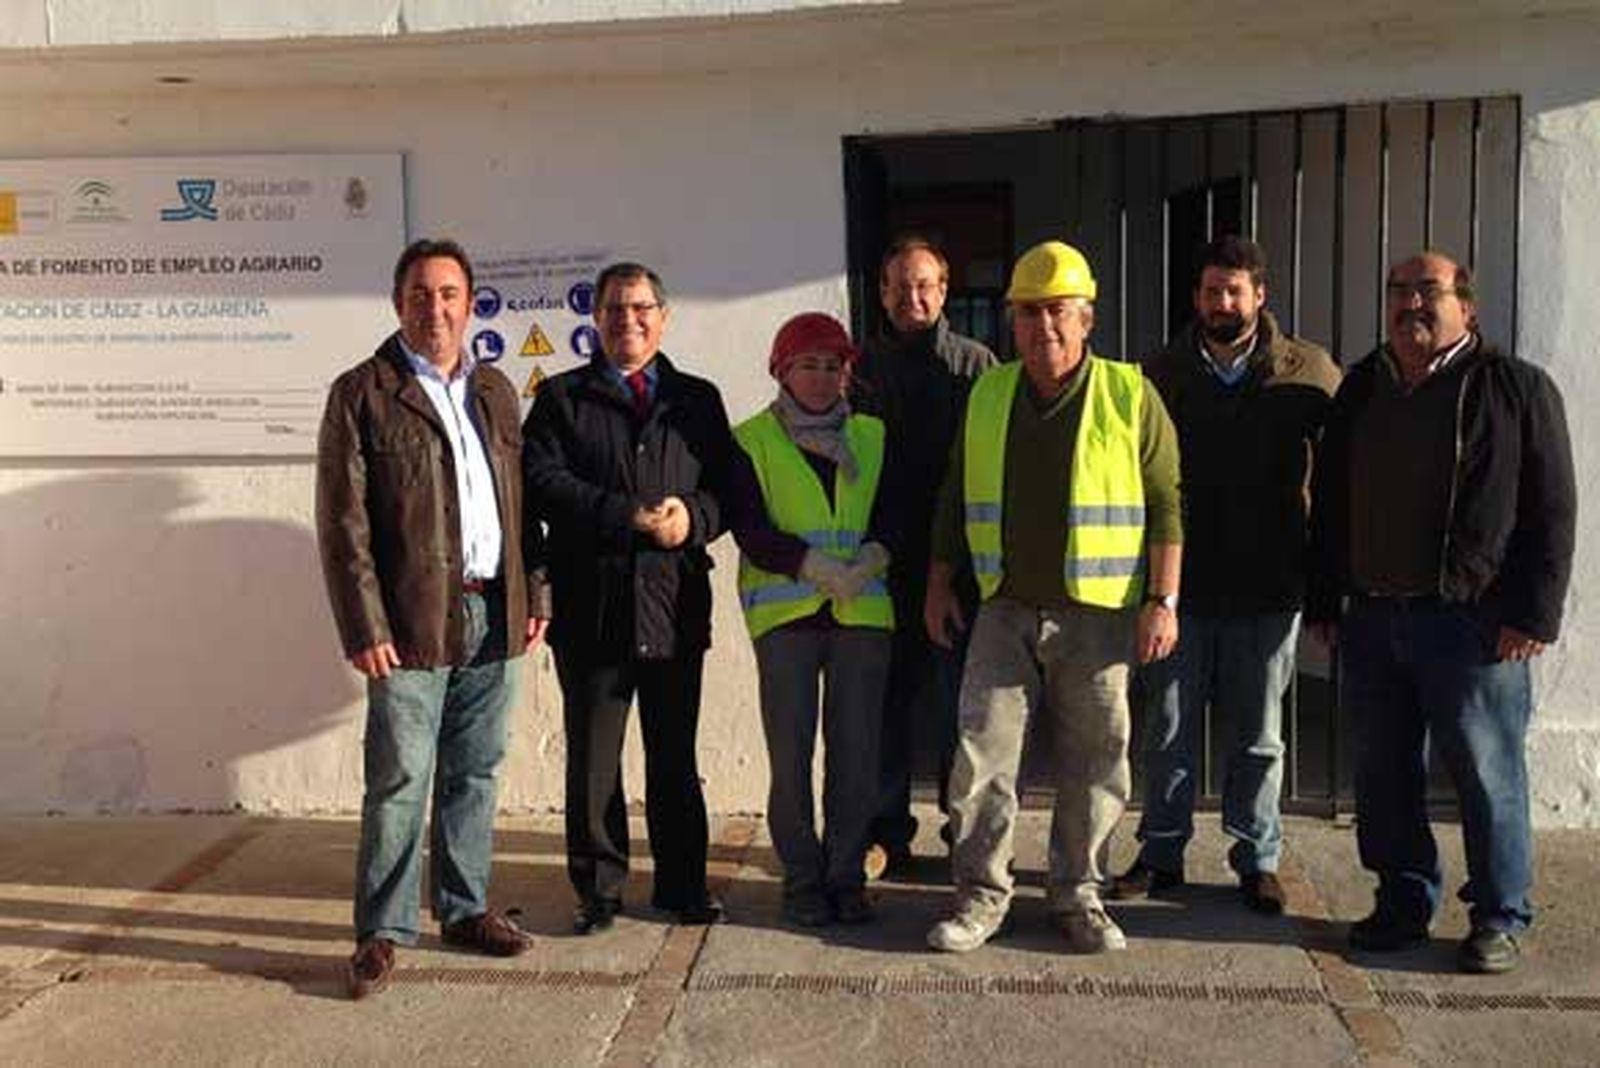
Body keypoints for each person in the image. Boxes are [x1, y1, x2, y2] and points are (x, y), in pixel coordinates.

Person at [1308, 250, 1575, 974]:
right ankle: (1401, 900)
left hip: (1471, 623)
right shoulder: (1362, 386)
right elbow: (1328, 500)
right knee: (1382, 772)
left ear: (1468, 306)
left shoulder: (1511, 388)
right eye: (1399, 291)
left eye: (1429, 291)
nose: (1410, 304)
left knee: (1487, 773)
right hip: (1371, 618)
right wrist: (1325, 596)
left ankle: (1498, 913)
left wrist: (1534, 615)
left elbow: (1553, 510)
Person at [924, 240, 1183, 955]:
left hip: (1100, 612)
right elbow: (954, 492)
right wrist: (939, 582)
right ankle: (980, 898)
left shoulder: (1131, 394)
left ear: (1087, 317)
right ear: (1013, 321)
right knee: (980, 761)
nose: (1045, 327)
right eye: (1030, 313)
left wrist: (1163, 600)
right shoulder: (989, 391)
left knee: (1098, 759)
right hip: (1003, 607)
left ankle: (1078, 896)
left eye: (1059, 312)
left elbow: (1167, 504)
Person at [316, 238, 546, 1000]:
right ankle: (381, 931)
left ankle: (464, 907)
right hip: (412, 618)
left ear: (471, 303)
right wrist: (365, 625)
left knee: (475, 771)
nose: (435, 307)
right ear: (397, 304)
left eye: (449, 293)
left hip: (496, 606)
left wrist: (533, 593)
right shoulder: (362, 393)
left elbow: (525, 508)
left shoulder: (497, 392)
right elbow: (343, 524)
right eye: (420, 294)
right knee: (400, 778)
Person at [1112, 236, 1340, 915]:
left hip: (1271, 586)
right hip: (1181, 587)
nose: (1223, 302)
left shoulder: (1308, 372)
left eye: (1235, 290)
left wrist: (1327, 578)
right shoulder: (1158, 374)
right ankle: (1160, 853)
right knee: (1169, 731)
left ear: (1260, 295)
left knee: (1259, 736)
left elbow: (1348, 467)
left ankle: (1257, 857)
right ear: (1197, 298)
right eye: (1212, 291)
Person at [522, 261, 734, 935]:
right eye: (614, 309)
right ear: (596, 319)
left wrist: (690, 521)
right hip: (594, 607)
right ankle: (600, 892)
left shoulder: (697, 399)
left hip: (672, 605)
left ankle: (683, 885)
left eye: (641, 308)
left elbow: (729, 490)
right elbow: (540, 483)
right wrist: (622, 514)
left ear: (663, 318)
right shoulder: (561, 399)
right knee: (594, 763)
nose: (628, 320)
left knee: (674, 755)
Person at [729, 312, 895, 926]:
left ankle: (846, 878)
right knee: (791, 757)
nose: (822, 378)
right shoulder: (751, 440)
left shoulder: (874, 436)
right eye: (809, 365)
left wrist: (875, 554)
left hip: (863, 614)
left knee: (855, 755)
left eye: (834, 366)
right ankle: (802, 881)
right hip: (788, 619)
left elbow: (897, 507)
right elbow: (750, 528)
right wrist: (818, 566)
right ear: (782, 371)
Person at [851, 235, 996, 879]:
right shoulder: (860, 369)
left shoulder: (977, 366)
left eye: (926, 285)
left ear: (944, 291)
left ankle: (961, 829)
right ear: (883, 293)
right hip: (880, 564)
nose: (913, 297)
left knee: (957, 706)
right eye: (900, 286)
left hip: (959, 569)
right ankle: (887, 831)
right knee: (885, 703)